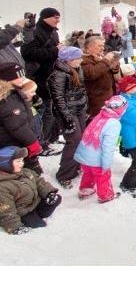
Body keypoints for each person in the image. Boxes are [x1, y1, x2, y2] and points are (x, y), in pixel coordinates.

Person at [21, 7, 62, 155]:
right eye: (55, 17)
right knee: (42, 111)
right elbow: (28, 53)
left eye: (59, 17)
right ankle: (40, 144)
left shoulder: (53, 31)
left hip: (51, 76)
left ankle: (49, 138)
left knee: (51, 110)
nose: (58, 20)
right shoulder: (36, 31)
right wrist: (55, 50)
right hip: (39, 77)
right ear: (45, 18)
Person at [46, 46, 88, 188]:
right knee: (74, 140)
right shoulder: (58, 75)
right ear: (69, 60)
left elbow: (81, 90)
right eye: (78, 58)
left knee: (81, 139)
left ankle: (75, 167)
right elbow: (58, 99)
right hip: (67, 112)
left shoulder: (77, 69)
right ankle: (64, 174)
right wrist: (67, 119)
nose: (81, 60)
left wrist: (84, 106)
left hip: (79, 109)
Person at [74, 95, 127, 203]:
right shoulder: (114, 123)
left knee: (88, 172)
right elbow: (108, 146)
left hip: (85, 153)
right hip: (96, 157)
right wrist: (106, 164)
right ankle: (106, 195)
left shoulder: (101, 114)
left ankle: (85, 189)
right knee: (103, 176)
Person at [0, 146, 61, 235]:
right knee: (40, 227)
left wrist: (49, 193)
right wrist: (15, 227)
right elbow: (6, 210)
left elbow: (39, 182)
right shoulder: (3, 186)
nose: (22, 163)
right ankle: (32, 218)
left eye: (22, 160)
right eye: (18, 161)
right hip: (21, 212)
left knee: (56, 199)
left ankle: (37, 215)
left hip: (33, 203)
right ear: (6, 164)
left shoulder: (25, 172)